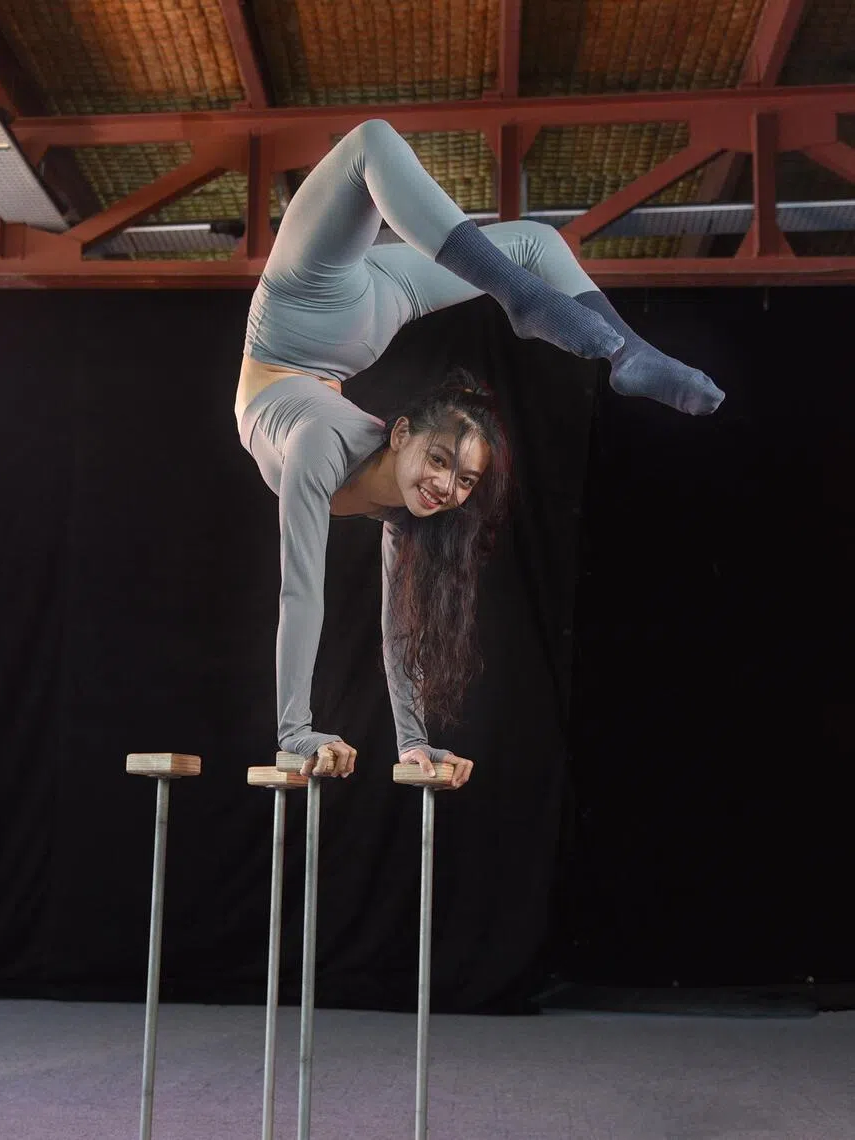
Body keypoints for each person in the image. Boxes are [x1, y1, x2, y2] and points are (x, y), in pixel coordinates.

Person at [235, 119, 724, 789]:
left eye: (464, 480)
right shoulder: (321, 445)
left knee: (536, 241)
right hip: (303, 316)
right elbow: (301, 588)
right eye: (442, 461)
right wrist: (295, 733)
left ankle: (621, 349)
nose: (447, 488)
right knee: (372, 143)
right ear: (401, 432)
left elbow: (397, 627)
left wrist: (413, 745)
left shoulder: (396, 499)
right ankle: (530, 302)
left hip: (355, 321)